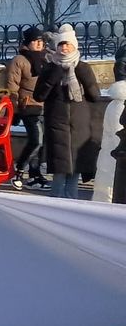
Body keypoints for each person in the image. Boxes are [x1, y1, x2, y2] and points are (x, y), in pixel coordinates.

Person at [34, 25, 101, 199]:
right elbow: (39, 95)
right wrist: (54, 75)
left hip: (80, 126)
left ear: (74, 46)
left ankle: (72, 206)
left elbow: (95, 96)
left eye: (68, 44)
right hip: (57, 125)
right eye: (61, 44)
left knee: (75, 171)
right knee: (59, 171)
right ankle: (56, 207)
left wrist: (82, 74)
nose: (64, 48)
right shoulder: (50, 68)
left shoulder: (83, 67)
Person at [7, 27, 51, 191]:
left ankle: (35, 174)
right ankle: (19, 170)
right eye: (36, 41)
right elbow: (12, 85)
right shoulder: (20, 60)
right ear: (28, 42)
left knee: (41, 142)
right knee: (36, 139)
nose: (39, 44)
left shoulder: (45, 58)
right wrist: (15, 107)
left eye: (41, 41)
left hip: (44, 105)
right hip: (28, 105)